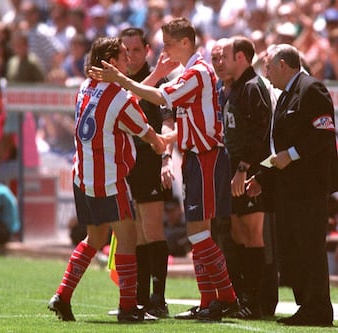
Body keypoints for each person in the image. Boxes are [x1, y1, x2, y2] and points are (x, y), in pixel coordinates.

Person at [89, 17, 239, 322]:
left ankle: (227, 297)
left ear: (185, 43)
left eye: (169, 43)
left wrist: (122, 79)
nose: (165, 49)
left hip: (207, 157)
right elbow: (186, 120)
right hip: (195, 156)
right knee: (197, 232)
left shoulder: (197, 73)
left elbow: (159, 97)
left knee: (198, 233)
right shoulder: (190, 73)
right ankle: (209, 299)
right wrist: (165, 140)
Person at [47, 36, 169, 323]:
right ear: (111, 62)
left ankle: (62, 296)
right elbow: (146, 131)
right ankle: (128, 307)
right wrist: (162, 141)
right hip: (109, 178)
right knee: (127, 238)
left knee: (96, 237)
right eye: (124, 56)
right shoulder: (120, 96)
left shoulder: (84, 88)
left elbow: (119, 106)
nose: (129, 60)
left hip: (83, 177)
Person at [248, 43, 336, 326]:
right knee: (294, 249)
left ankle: (319, 309)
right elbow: (278, 149)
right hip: (288, 188)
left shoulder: (311, 89)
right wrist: (262, 178)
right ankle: (306, 306)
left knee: (309, 246)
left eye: (269, 66)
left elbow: (323, 134)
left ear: (283, 65)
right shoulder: (285, 95)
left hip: (309, 187)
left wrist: (294, 154)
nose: (266, 72)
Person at [119, 27, 175, 318]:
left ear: (147, 50)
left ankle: (158, 299)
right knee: (137, 232)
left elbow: (168, 123)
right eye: (125, 50)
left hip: (149, 160)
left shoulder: (158, 80)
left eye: (136, 50)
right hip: (127, 163)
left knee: (151, 228)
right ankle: (140, 298)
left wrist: (166, 159)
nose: (130, 55)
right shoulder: (120, 79)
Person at [220, 36, 274, 319]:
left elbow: (261, 133)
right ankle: (242, 297)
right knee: (237, 232)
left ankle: (255, 301)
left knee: (253, 234)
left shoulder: (254, 87)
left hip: (249, 170)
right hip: (233, 170)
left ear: (241, 57)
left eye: (225, 55)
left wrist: (245, 168)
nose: (221, 61)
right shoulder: (234, 88)